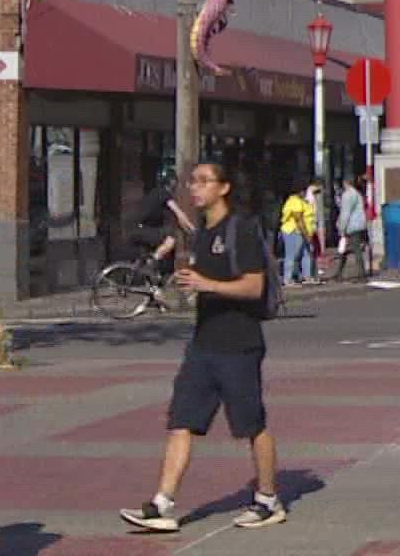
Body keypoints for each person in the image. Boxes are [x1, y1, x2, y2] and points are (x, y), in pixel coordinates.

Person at [120, 161, 285, 533]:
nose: (195, 189)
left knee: (250, 425)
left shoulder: (239, 230)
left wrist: (207, 285)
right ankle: (162, 503)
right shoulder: (201, 234)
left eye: (203, 182)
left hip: (239, 343)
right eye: (192, 182)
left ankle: (268, 499)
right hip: (203, 342)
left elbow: (253, 287)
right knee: (182, 420)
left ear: (223, 188)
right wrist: (192, 283)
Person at [334, 174, 370, 282]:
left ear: (345, 183)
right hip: (358, 225)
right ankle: (339, 273)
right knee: (344, 250)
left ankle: (361, 274)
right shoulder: (357, 194)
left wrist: (341, 227)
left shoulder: (348, 195)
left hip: (351, 226)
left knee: (355, 250)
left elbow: (345, 213)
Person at [278, 183, 316, 285]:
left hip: (302, 232)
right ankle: (287, 279)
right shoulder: (294, 201)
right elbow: (298, 219)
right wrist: (306, 235)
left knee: (306, 254)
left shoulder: (302, 201)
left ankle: (307, 277)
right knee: (292, 255)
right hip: (293, 231)